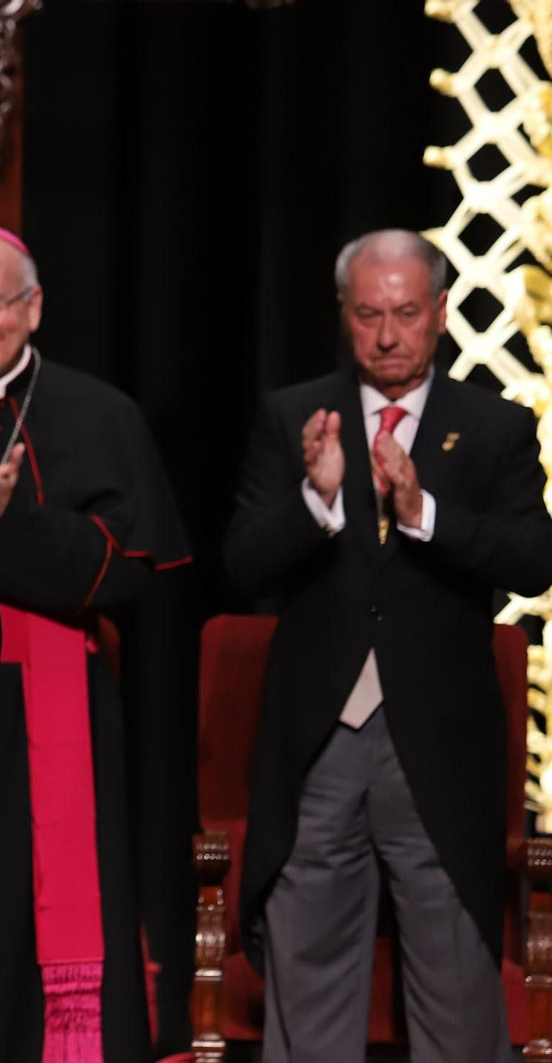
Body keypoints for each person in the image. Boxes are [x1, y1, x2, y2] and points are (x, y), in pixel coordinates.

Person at [225, 228, 552, 1062]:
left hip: (439, 749)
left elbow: (534, 558)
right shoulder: (295, 416)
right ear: (345, 313)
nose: (386, 335)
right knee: (309, 981)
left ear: (439, 311)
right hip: (320, 742)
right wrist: (316, 499)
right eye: (368, 314)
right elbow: (243, 564)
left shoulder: (495, 426)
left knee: (457, 992)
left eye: (405, 314)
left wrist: (424, 514)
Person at [0, 226, 188, 1063]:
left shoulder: (98, 413)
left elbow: (129, 569)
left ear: (32, 308)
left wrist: (7, 522)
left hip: (50, 720)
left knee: (38, 936)